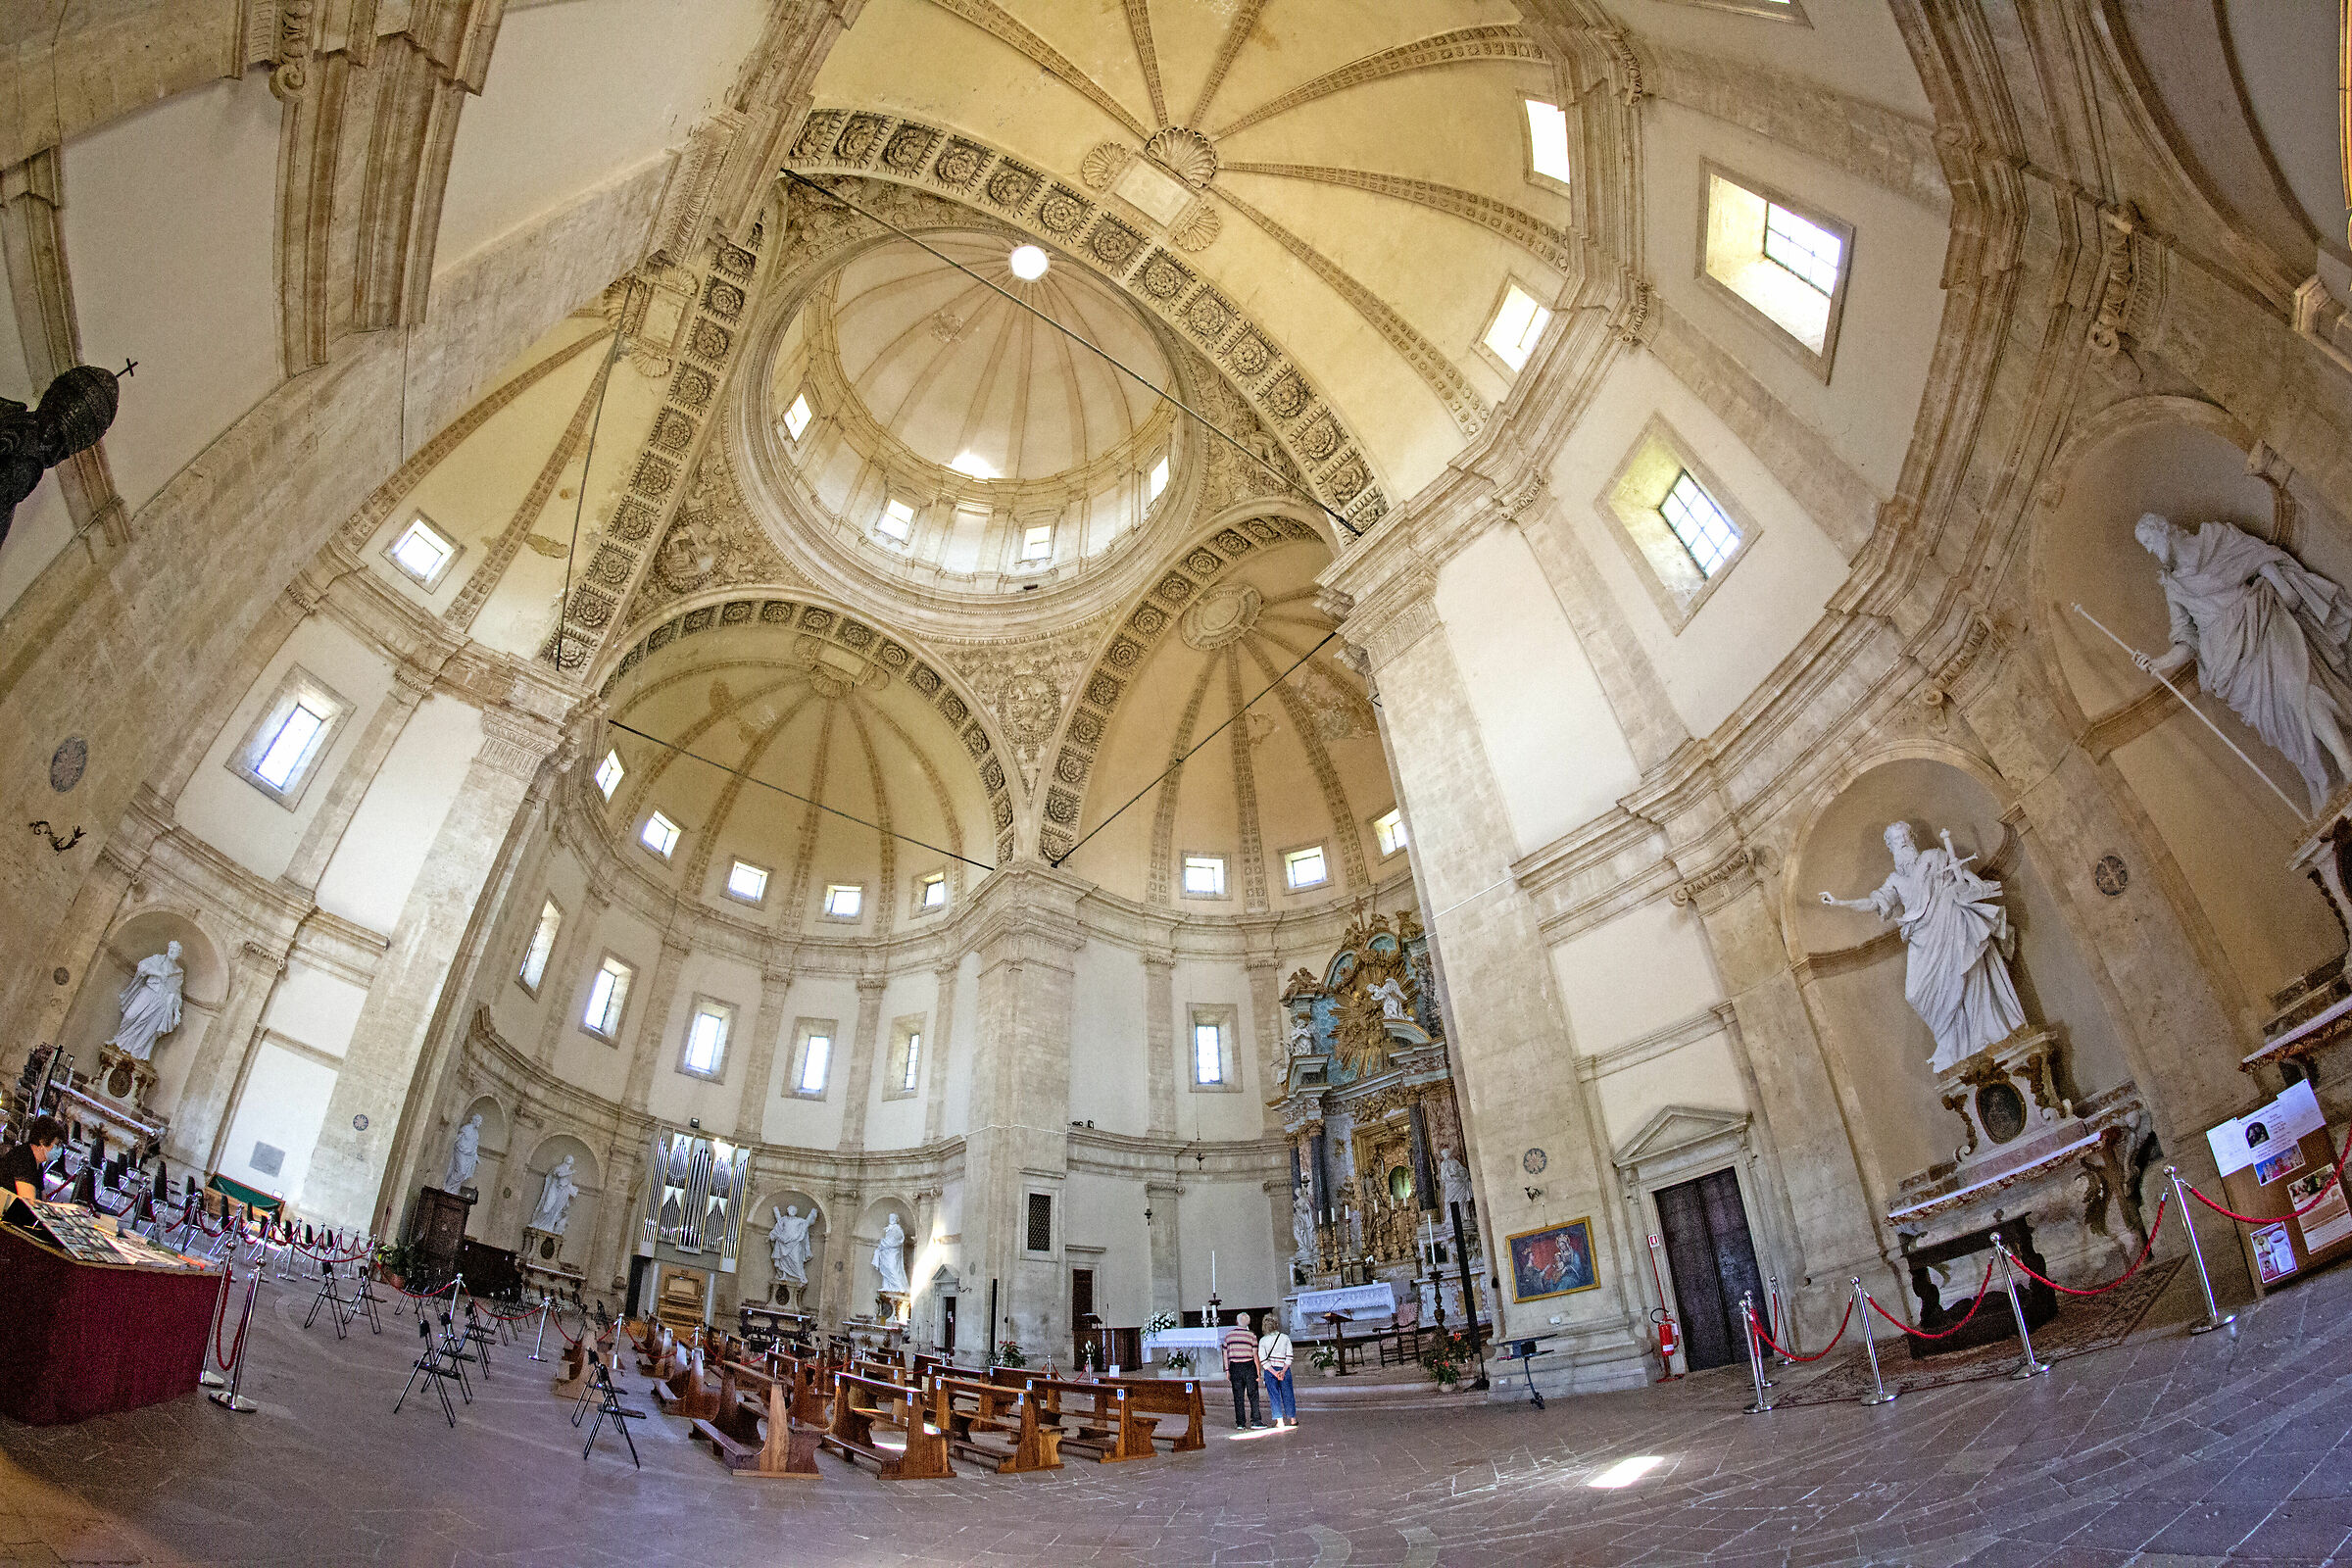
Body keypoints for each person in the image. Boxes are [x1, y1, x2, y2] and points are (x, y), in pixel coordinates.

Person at [0, 1115, 64, 1206]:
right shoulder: (23, 1158)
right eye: (56, 1144)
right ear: (42, 1142)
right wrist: (63, 1207)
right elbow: (30, 1203)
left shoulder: (38, 1164)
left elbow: (43, 1199)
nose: (59, 1149)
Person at [1222, 1310, 1264, 1429]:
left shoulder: (1229, 1335)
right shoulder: (1252, 1335)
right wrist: (1258, 1371)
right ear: (1248, 1323)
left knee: (1238, 1395)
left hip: (1235, 1366)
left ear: (1237, 1321)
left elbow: (1225, 1354)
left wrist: (1227, 1370)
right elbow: (1255, 1355)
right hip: (1249, 1365)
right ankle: (1256, 1421)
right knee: (1253, 1394)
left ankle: (1240, 1423)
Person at [1258, 1313, 1298, 1429]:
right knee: (1288, 1394)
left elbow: (1263, 1360)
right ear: (1276, 1324)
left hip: (1270, 1371)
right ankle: (1292, 1418)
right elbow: (1289, 1356)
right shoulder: (1285, 1338)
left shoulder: (1263, 1341)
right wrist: (1283, 1371)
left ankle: (1279, 1421)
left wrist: (1274, 1373)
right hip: (1284, 1369)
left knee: (1274, 1395)